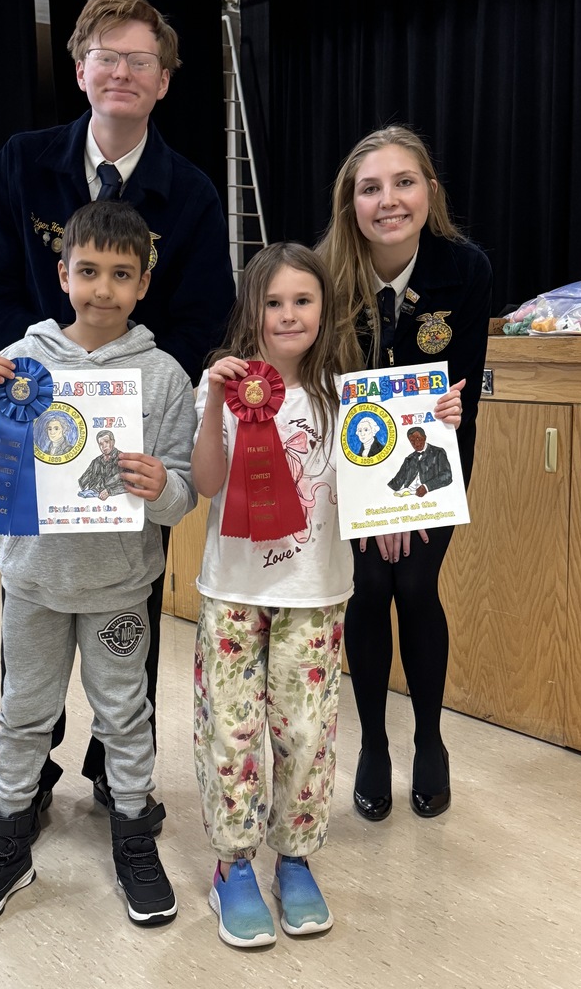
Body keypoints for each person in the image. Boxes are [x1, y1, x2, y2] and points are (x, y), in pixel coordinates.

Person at [0, 0, 235, 819]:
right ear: (80, 71)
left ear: (163, 80)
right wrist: (43, 368)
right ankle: (31, 765)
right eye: (105, 57)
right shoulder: (23, 162)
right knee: (31, 599)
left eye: (139, 60)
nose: (121, 72)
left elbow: (203, 311)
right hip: (38, 412)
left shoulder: (190, 191)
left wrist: (129, 387)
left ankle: (119, 772)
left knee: (129, 599)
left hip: (135, 425)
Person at [0, 200, 197, 926]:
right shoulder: (22, 362)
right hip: (33, 581)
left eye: (121, 274)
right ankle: (8, 835)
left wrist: (162, 485)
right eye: (88, 271)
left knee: (124, 712)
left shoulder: (164, 377)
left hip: (119, 585)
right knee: (25, 709)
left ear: (143, 283)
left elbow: (181, 496)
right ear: (62, 275)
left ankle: (132, 831)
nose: (103, 289)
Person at [316, 125, 491, 820]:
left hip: (434, 455)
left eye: (404, 182)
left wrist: (407, 503)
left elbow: (460, 389)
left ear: (430, 192)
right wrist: (371, 499)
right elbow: (320, 388)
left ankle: (428, 739)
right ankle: (372, 745)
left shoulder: (465, 269)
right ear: (350, 204)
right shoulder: (324, 274)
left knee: (415, 584)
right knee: (366, 587)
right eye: (370, 188)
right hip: (347, 461)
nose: (388, 200)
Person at [191, 242, 361, 947]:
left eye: (303, 300)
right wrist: (211, 402)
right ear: (251, 310)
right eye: (273, 302)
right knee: (231, 732)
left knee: (306, 734)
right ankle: (232, 867)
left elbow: (382, 478)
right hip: (233, 593)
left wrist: (432, 423)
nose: (289, 315)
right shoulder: (226, 389)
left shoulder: (347, 394)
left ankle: (295, 859)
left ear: (324, 308)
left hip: (315, 595)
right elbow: (206, 483)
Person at [388, 426, 452, 497]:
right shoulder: (409, 459)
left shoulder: (438, 452)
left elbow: (447, 476)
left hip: (432, 494)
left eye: (418, 439)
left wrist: (426, 487)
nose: (416, 443)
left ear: (424, 437)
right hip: (409, 496)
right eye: (412, 441)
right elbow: (396, 481)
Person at [79, 430, 126, 498]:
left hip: (116, 499)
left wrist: (110, 491)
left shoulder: (123, 459)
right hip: (92, 499)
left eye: (106, 442)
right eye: (101, 444)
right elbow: (82, 482)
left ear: (113, 442)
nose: (104, 446)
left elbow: (130, 485)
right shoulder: (96, 462)